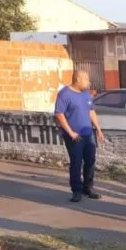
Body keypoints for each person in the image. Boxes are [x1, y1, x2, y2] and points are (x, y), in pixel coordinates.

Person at [54, 70, 106, 203]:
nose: (88, 82)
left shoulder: (86, 94)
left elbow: (91, 111)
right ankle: (76, 191)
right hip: (74, 136)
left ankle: (88, 188)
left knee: (90, 161)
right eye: (86, 79)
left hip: (88, 134)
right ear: (78, 79)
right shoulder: (64, 94)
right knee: (76, 163)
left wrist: (98, 129)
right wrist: (71, 132)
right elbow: (59, 114)